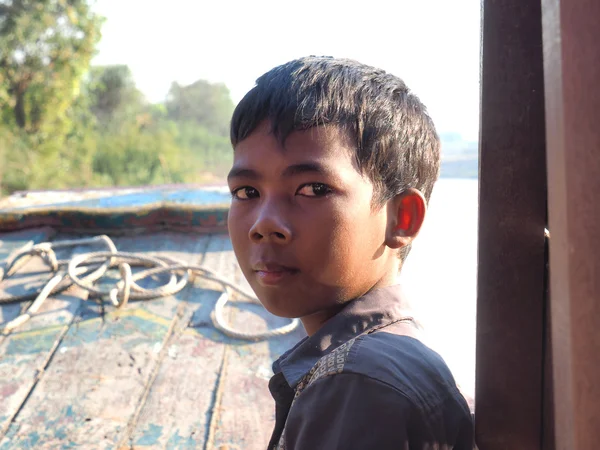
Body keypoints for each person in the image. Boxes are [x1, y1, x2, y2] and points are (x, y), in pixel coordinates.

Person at [226, 56, 475, 449]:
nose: (264, 223)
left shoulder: (355, 385)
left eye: (313, 189)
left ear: (401, 219)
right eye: (246, 193)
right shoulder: (389, 350)